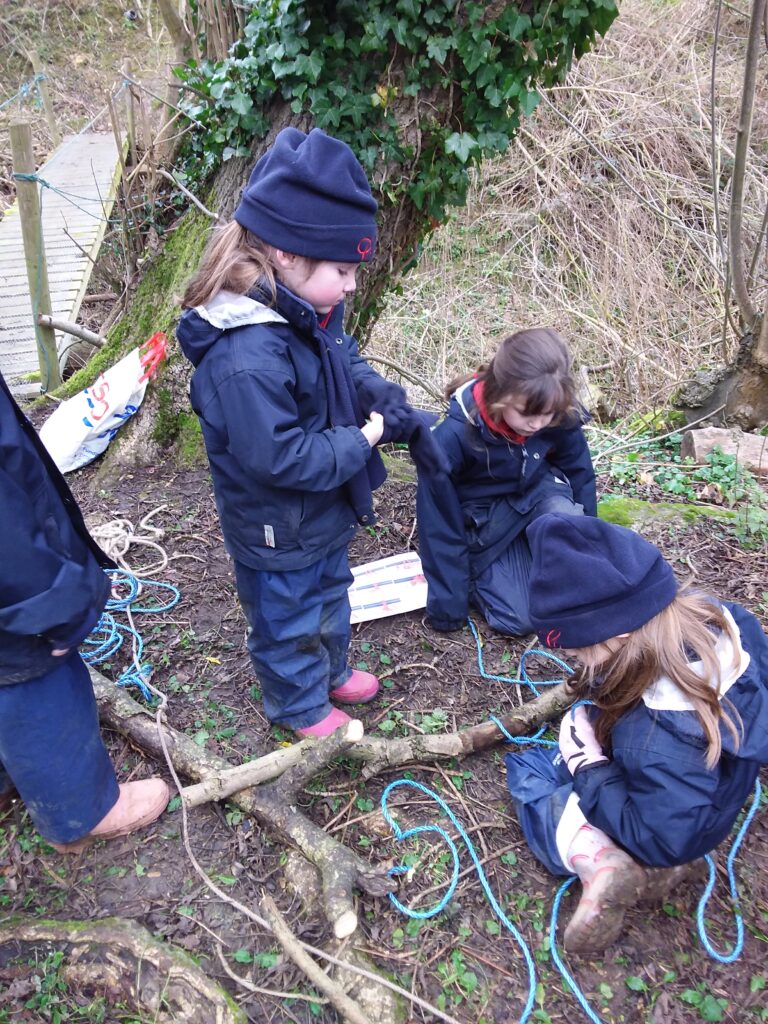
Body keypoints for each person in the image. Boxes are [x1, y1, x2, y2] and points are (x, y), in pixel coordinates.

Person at [177, 127, 445, 739]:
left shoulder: (308, 306)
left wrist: (375, 392)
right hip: (275, 522)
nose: (353, 284)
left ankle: (331, 671)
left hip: (319, 509)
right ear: (287, 253)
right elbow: (279, 457)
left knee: (330, 590)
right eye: (344, 270)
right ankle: (298, 706)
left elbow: (338, 357)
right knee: (286, 614)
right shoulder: (245, 356)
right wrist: (363, 439)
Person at [505, 512, 768, 955]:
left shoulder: (651, 739)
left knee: (531, 768)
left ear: (619, 635)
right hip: (712, 788)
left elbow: (665, 836)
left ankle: (597, 858)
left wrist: (588, 766)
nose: (572, 658)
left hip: (677, 831)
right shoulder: (721, 619)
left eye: (576, 649)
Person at [0, 372, 170, 853]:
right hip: (16, 603)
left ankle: (8, 781)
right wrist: (56, 600)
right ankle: (84, 810)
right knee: (39, 688)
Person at [416, 328, 596, 636]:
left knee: (571, 525)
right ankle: (489, 574)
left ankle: (545, 565)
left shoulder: (556, 411)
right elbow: (438, 522)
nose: (538, 424)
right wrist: (448, 606)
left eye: (548, 415)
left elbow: (581, 476)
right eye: (528, 414)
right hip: (484, 522)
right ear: (500, 396)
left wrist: (594, 552)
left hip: (537, 496)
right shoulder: (453, 437)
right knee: (520, 619)